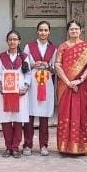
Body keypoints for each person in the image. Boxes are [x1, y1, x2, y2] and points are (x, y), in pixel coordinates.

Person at [56, 20, 87, 155]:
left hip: (83, 86)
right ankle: (65, 147)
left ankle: (82, 146)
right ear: (67, 31)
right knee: (65, 114)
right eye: (71, 29)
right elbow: (57, 64)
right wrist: (68, 82)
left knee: (82, 114)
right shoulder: (62, 47)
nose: (74, 31)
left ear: (81, 31)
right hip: (65, 86)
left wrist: (80, 79)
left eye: (76, 29)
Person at [0, 30, 31, 158]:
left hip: (19, 92)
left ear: (19, 41)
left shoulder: (24, 57)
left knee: (17, 120)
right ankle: (8, 147)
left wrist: (26, 87)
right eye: (10, 39)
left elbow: (28, 74)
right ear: (7, 41)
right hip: (5, 92)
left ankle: (15, 147)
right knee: (6, 120)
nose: (12, 41)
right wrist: (0, 86)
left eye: (15, 39)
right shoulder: (2, 56)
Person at [24, 21, 57, 156]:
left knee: (44, 116)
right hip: (33, 82)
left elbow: (55, 68)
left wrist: (48, 67)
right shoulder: (29, 47)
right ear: (37, 31)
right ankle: (27, 145)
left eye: (46, 30)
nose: (43, 33)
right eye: (41, 30)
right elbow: (24, 66)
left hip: (46, 83)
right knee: (30, 115)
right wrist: (33, 65)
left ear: (49, 32)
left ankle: (43, 145)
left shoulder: (53, 49)